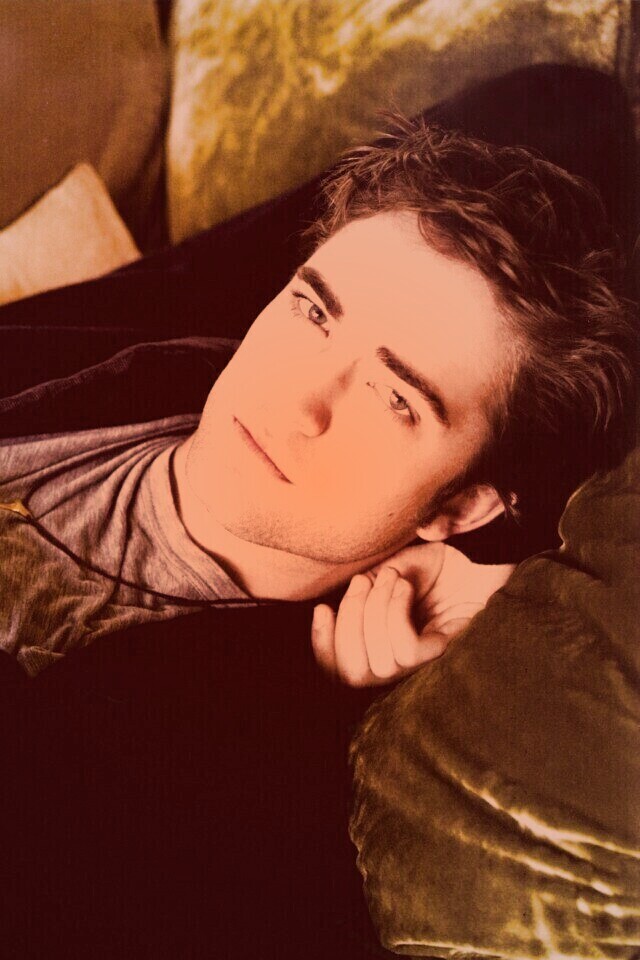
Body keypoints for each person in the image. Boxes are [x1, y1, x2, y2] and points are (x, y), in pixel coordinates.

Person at [0, 64, 636, 959]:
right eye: (312, 312)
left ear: (462, 505)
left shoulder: (232, 780)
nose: (298, 399)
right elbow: (569, 106)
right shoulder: (170, 341)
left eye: (394, 398)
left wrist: (518, 597)